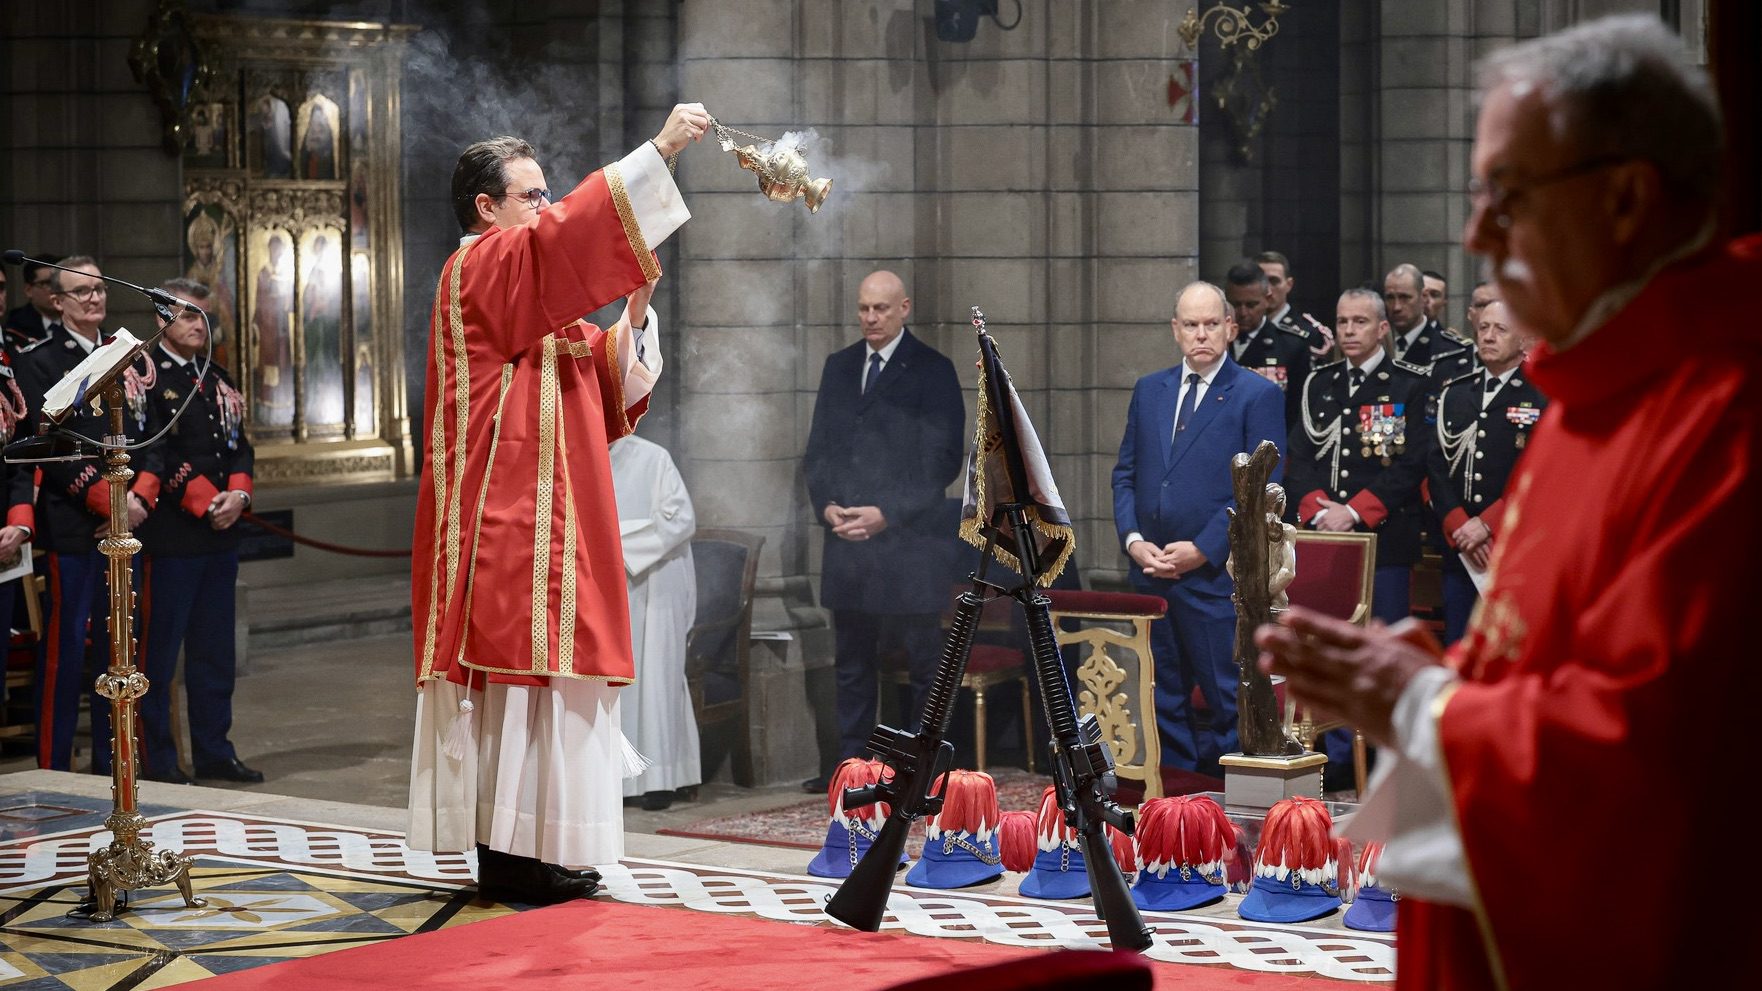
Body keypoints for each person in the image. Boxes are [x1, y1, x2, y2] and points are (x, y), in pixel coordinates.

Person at [1257, 16, 1758, 988]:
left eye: (1507, 197)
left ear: (1625, 196)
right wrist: (1437, 680)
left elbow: (1656, 757)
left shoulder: (1725, 411)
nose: (1476, 235)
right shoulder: (1592, 391)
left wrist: (1421, 704)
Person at [405, 104, 706, 905]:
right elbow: (566, 237)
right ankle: (508, 855)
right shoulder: (477, 269)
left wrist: (634, 311)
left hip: (557, 522)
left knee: (554, 697)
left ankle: (543, 848)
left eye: (547, 194)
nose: (545, 206)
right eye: (531, 194)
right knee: (514, 695)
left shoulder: (532, 296)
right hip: (504, 524)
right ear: (486, 207)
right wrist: (661, 151)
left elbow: (604, 387)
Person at [1112, 281, 1285, 775]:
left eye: (1211, 323)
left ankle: (1233, 800)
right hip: (1152, 569)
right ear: (1176, 330)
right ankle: (1176, 801)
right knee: (1162, 695)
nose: (1202, 334)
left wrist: (1205, 548)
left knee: (1227, 694)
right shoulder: (1151, 389)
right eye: (1191, 325)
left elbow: (1261, 487)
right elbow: (1126, 474)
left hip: (1216, 576)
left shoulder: (1257, 394)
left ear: (1230, 327)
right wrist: (1134, 541)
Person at [801, 270, 965, 791]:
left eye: (880, 309)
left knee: (923, 668)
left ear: (904, 308)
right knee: (851, 666)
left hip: (909, 544)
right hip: (847, 542)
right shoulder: (840, 366)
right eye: (864, 308)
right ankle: (852, 769)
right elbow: (819, 450)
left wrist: (886, 513)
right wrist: (827, 506)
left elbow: (942, 461)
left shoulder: (933, 369)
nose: (870, 318)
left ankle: (918, 772)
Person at [14, 257, 161, 773]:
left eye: (99, 289)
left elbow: (153, 435)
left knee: (121, 650)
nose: (94, 298)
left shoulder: (127, 355)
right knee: (67, 651)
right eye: (81, 291)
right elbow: (47, 446)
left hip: (128, 523)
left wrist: (139, 500)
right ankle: (54, 767)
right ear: (57, 301)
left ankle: (114, 764)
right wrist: (112, 504)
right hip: (78, 527)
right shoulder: (39, 360)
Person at [134, 279, 261, 785]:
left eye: (204, 317)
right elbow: (154, 452)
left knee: (214, 653)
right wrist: (209, 500)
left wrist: (239, 495)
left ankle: (214, 751)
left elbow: (239, 446)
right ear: (162, 318)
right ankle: (159, 760)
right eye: (188, 315)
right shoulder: (145, 377)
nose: (198, 325)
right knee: (160, 655)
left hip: (219, 536)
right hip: (173, 537)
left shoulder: (215, 376)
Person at [1424, 298, 1542, 645]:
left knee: (1508, 646)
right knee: (1458, 643)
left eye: (1500, 329)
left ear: (1523, 338)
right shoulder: (1455, 393)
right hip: (1460, 548)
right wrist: (1461, 526)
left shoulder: (1541, 394)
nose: (1488, 336)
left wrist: (1487, 525)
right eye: (1484, 327)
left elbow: (1538, 475)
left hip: (1511, 545)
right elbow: (1436, 466)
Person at [608, 433, 700, 812]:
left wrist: (611, 542)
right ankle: (616, 780)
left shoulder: (652, 457)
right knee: (614, 687)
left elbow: (680, 519)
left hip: (657, 586)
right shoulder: (570, 452)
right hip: (603, 588)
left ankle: (661, 778)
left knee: (658, 682)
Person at [1224, 260, 1311, 429]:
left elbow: (1299, 411)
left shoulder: (1290, 346)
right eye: (1236, 305)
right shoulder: (1216, 344)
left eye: (1251, 305)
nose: (1243, 312)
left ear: (1267, 299)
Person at [1256, 250, 1331, 357]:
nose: (1268, 290)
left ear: (1289, 284)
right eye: (1262, 282)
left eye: (1274, 281)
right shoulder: (1243, 329)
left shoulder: (1308, 332)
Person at [5, 254, 63, 357]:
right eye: (46, 283)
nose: (54, 289)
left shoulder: (80, 318)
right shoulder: (15, 328)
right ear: (28, 290)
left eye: (57, 283)